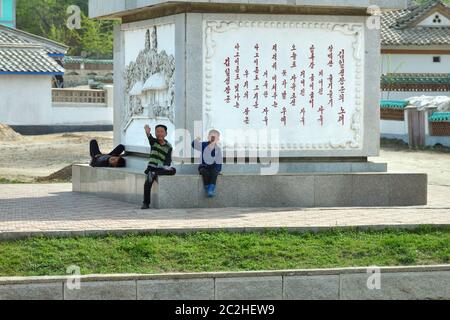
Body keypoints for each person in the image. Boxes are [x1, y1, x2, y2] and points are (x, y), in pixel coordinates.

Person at [142, 124, 176, 209]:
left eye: (162, 131)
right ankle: (146, 203)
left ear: (166, 134)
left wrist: (165, 167)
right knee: (147, 183)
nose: (159, 133)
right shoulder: (154, 142)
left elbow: (168, 161)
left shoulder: (169, 146)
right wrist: (147, 132)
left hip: (161, 168)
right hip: (152, 167)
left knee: (173, 170)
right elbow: (150, 137)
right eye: (157, 131)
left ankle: (155, 173)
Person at [192, 130, 223, 198]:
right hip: (204, 166)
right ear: (208, 137)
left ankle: (211, 189)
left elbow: (219, 161)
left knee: (214, 173)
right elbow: (194, 145)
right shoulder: (203, 145)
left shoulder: (218, 149)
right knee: (204, 172)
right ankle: (207, 187)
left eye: (215, 137)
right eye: (211, 136)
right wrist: (197, 139)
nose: (213, 138)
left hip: (213, 167)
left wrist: (218, 170)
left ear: (218, 139)